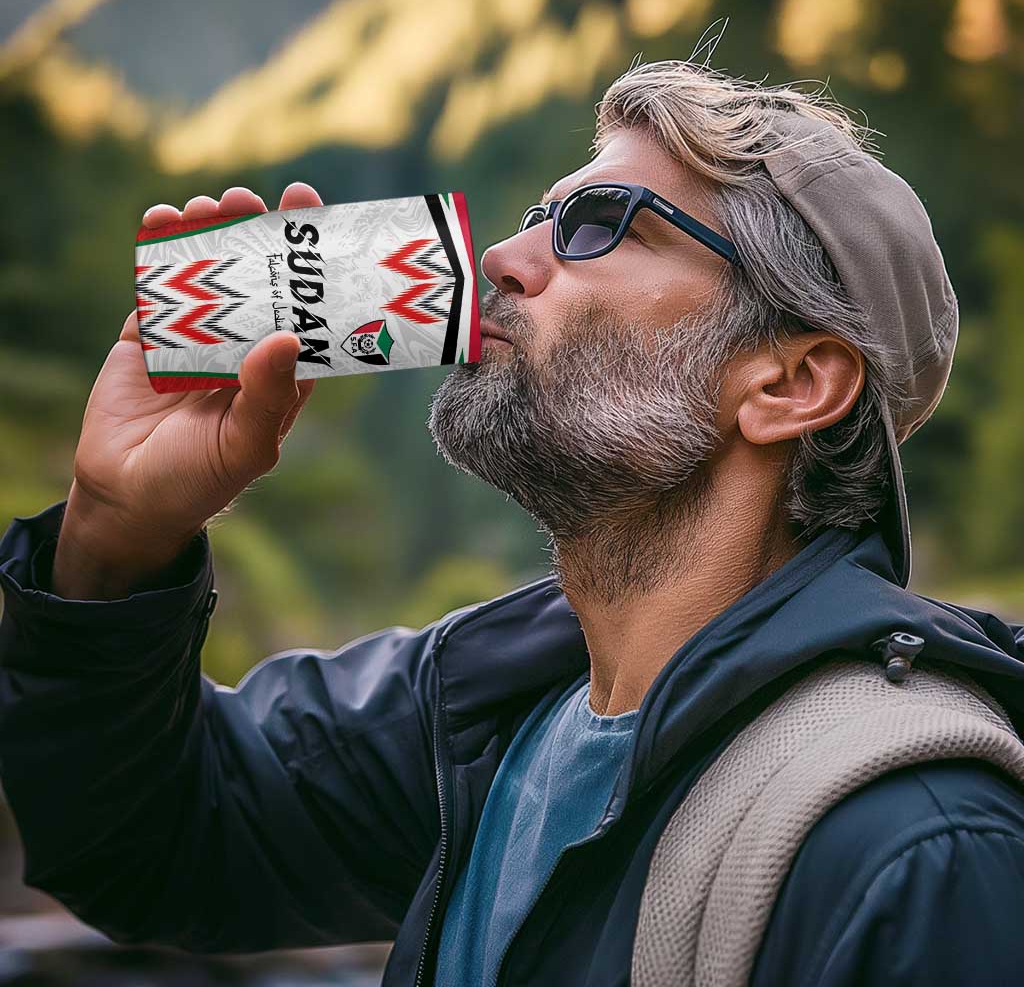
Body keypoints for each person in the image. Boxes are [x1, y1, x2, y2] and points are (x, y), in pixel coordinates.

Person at [2, 58, 1024, 987]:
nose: (501, 256)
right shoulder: (480, 712)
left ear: (791, 382)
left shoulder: (918, 847)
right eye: (541, 215)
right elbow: (149, 842)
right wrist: (115, 534)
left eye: (599, 224)